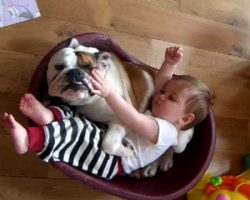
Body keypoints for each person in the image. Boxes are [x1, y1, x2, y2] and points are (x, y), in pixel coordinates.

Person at [1, 47, 211, 179]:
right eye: (164, 92)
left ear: (184, 119)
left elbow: (133, 118)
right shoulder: (159, 111)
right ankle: (48, 117)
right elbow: (161, 82)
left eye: (171, 98)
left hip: (114, 163)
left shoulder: (166, 131)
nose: (161, 95)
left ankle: (30, 140)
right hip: (109, 142)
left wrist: (110, 94)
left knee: (77, 138)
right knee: (76, 122)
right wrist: (169, 64)